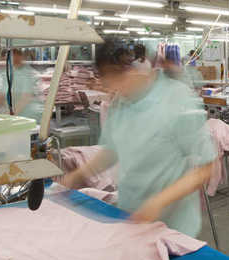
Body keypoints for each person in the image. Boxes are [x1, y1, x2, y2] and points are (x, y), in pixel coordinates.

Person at [60, 39, 216, 237]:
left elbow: (205, 168)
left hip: (172, 226)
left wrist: (158, 202)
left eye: (113, 78)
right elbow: (111, 150)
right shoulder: (120, 102)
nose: (111, 87)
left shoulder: (178, 99)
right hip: (130, 217)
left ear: (133, 69)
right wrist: (78, 175)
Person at [0, 48, 44, 123]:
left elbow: (25, 98)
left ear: (19, 56)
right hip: (18, 117)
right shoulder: (9, 73)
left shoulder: (27, 73)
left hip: (30, 117)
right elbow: (0, 97)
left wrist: (10, 116)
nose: (6, 59)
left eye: (10, 56)